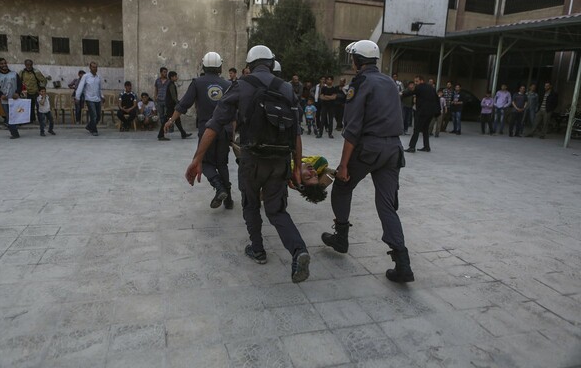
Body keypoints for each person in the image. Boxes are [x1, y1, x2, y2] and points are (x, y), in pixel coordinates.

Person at [185, 45, 310, 283]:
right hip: (280, 161)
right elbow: (296, 134)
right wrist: (296, 169)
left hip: (252, 159)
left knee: (251, 204)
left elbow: (214, 124)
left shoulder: (242, 85)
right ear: (272, 64)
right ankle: (298, 250)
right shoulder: (286, 88)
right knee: (277, 210)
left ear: (249, 65)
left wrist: (197, 159)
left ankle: (258, 249)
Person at [321, 40, 413, 283]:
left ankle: (341, 237)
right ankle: (402, 262)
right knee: (386, 205)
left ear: (357, 61)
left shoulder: (360, 82)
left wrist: (342, 166)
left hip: (369, 148)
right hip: (393, 148)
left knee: (342, 186)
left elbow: (352, 129)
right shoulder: (389, 81)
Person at [166, 52, 233, 209]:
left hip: (206, 132)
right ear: (220, 67)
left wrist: (171, 120)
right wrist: (232, 132)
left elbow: (183, 105)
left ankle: (219, 188)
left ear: (203, 65)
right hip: (223, 131)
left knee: (205, 162)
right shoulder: (227, 85)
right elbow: (234, 113)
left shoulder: (198, 83)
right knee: (222, 164)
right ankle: (228, 200)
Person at [403, 76, 440, 152]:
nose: (415, 83)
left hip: (422, 112)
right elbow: (437, 99)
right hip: (431, 112)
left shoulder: (419, 87)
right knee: (425, 129)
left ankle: (412, 147)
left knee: (416, 129)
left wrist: (401, 94)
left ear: (421, 81)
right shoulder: (431, 88)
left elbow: (409, 93)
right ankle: (426, 147)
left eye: (417, 81)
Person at [0, 58, 22, 139]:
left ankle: (14, 131)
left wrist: (17, 93)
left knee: (16, 116)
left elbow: (19, 85)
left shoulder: (14, 74)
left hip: (15, 100)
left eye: (5, 63)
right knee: (9, 117)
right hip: (5, 100)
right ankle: (14, 133)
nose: (4, 65)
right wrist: (1, 95)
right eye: (1, 64)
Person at [75, 61, 104, 136]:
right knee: (93, 115)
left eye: (96, 67)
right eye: (93, 67)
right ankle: (94, 130)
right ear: (90, 68)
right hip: (89, 99)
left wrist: (102, 96)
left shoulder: (98, 77)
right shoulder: (86, 76)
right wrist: (77, 97)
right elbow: (80, 87)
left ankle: (89, 126)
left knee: (98, 116)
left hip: (97, 99)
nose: (95, 69)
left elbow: (100, 88)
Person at [161, 71, 192, 140]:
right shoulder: (171, 85)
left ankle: (183, 133)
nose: (176, 77)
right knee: (166, 120)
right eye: (175, 76)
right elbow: (173, 96)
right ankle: (161, 135)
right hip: (171, 105)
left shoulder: (171, 84)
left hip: (171, 104)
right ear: (172, 77)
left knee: (177, 119)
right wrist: (178, 103)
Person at [154, 67, 170, 140]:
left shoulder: (169, 81)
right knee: (161, 116)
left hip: (166, 101)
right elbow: (156, 89)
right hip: (159, 101)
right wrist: (155, 96)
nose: (165, 73)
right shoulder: (157, 81)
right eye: (164, 72)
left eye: (166, 72)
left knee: (166, 117)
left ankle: (164, 131)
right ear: (161, 73)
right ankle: (162, 131)